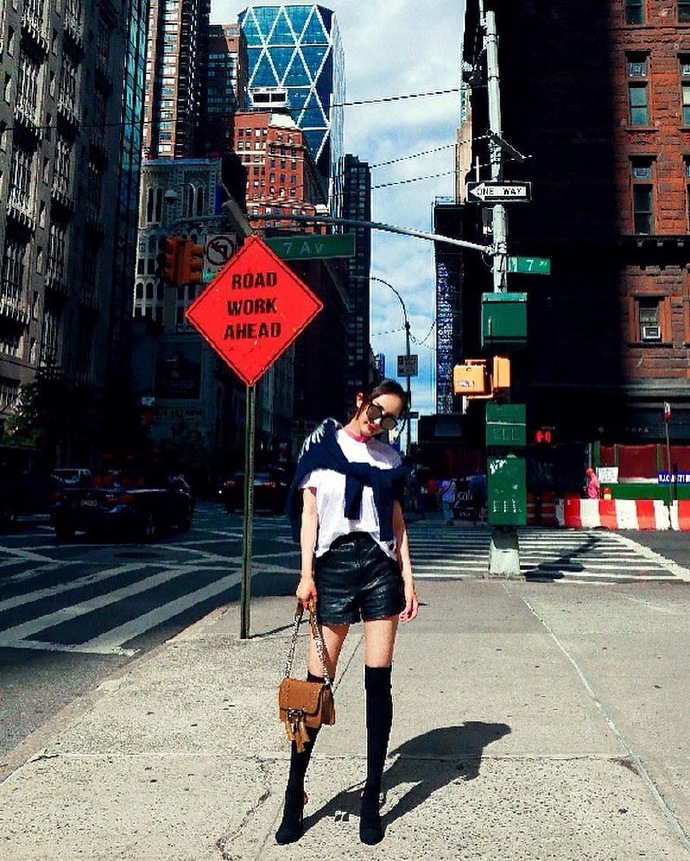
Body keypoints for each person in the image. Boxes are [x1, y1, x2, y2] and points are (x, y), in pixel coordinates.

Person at [278, 379, 419, 846]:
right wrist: (305, 575)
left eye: (391, 419)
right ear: (361, 400)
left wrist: (409, 581)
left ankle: (372, 794)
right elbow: (310, 516)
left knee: (378, 683)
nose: (379, 423)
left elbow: (396, 524)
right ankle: (294, 791)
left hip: (380, 570)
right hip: (333, 567)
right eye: (376, 411)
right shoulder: (322, 448)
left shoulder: (391, 460)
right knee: (314, 688)